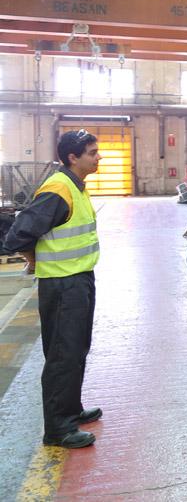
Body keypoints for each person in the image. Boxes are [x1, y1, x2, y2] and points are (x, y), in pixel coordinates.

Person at [3, 130, 102, 448]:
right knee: (63, 354)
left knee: (76, 350)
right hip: (62, 285)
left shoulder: (76, 186)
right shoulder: (59, 189)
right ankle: (58, 429)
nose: (98, 156)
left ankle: (70, 410)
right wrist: (33, 260)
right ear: (73, 157)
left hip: (79, 279)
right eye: (92, 152)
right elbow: (18, 235)